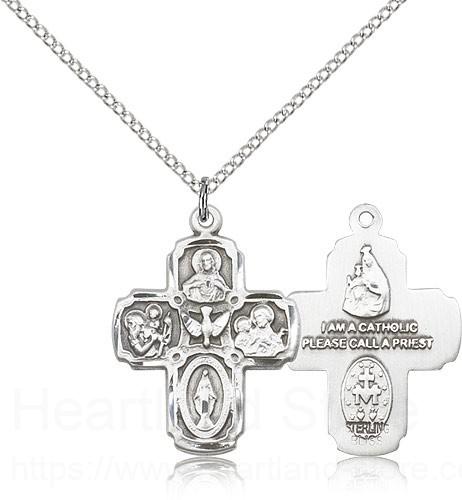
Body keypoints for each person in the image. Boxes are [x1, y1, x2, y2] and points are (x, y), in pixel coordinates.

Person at [343, 245, 390, 318]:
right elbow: (361, 281)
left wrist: (370, 287)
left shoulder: (378, 275)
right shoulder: (365, 273)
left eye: (367, 260)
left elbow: (383, 290)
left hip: (376, 300)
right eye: (364, 261)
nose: (366, 262)